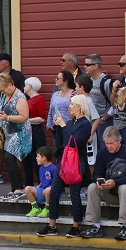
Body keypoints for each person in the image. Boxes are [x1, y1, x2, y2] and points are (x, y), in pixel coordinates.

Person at [37, 95, 92, 237]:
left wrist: (63, 126)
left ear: (79, 106)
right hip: (64, 160)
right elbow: (63, 141)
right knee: (54, 191)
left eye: (72, 104)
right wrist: (59, 127)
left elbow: (74, 142)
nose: (69, 106)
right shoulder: (70, 122)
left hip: (76, 162)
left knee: (75, 194)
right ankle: (52, 225)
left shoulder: (85, 124)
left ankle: (76, 225)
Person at [81, 127, 126, 240]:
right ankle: (95, 225)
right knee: (92, 187)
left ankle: (125, 227)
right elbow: (96, 174)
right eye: (106, 143)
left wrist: (116, 182)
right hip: (110, 191)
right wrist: (100, 182)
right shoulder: (102, 153)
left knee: (124, 188)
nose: (109, 146)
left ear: (119, 141)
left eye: (112, 143)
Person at [0, 73, 31, 199]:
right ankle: (14, 187)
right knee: (9, 159)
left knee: (10, 158)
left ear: (10, 84)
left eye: (4, 88)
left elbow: (24, 116)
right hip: (8, 133)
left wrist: (8, 118)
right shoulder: (4, 95)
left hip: (19, 133)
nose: (2, 91)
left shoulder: (20, 97)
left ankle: (19, 187)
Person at [21, 77, 47, 187]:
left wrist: (25, 120)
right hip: (26, 132)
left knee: (37, 157)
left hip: (35, 131)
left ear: (30, 86)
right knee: (26, 159)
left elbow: (41, 118)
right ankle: (29, 184)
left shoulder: (39, 99)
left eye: (25, 85)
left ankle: (42, 183)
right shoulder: (28, 100)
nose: (24, 87)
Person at [107, 55, 126, 148]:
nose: (119, 66)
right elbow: (112, 103)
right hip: (117, 123)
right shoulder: (119, 80)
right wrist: (113, 91)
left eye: (121, 64)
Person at [24, 146, 56, 217]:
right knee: (27, 189)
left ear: (44, 158)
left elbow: (57, 182)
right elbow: (43, 179)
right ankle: (35, 208)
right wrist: (39, 186)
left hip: (51, 191)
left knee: (48, 190)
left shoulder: (53, 168)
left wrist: (49, 188)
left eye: (38, 156)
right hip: (43, 190)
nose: (36, 158)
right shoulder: (41, 168)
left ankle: (47, 208)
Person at [47, 70, 75, 150]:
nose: (56, 79)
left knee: (68, 151)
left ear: (66, 80)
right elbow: (51, 110)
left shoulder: (74, 94)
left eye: (58, 78)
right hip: (56, 127)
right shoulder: (55, 94)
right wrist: (49, 124)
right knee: (58, 152)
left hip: (68, 127)